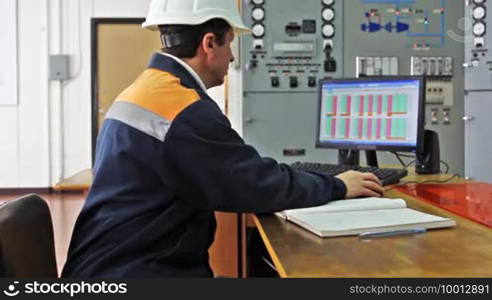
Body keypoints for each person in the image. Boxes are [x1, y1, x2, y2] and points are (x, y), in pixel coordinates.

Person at [62, 0, 383, 278]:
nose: (231, 58)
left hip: (109, 264)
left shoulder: (146, 89)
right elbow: (256, 184)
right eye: (230, 44)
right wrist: (339, 186)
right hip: (140, 271)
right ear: (209, 43)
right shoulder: (184, 109)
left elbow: (240, 172)